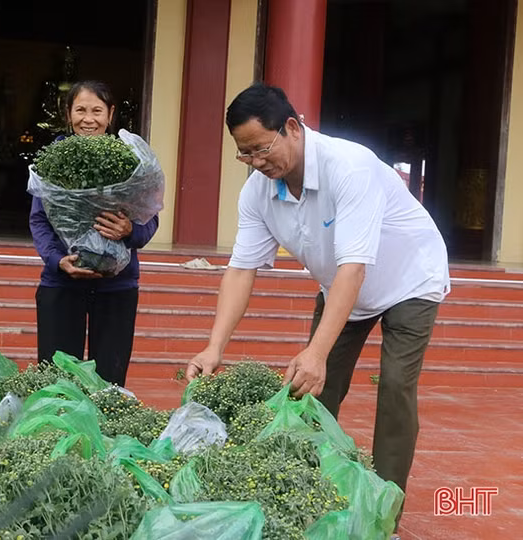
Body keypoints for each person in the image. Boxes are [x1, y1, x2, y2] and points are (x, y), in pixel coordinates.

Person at [186, 83, 450, 527]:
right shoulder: (257, 193)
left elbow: (354, 267)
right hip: (343, 285)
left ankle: (383, 514)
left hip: (409, 277)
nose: (256, 162)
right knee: (311, 391)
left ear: (292, 127)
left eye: (262, 148)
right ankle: (307, 495)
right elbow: (241, 270)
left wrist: (317, 352)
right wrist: (214, 347)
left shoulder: (349, 166)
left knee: (395, 387)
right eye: (245, 154)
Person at [29, 80, 160, 387]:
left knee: (110, 380)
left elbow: (150, 217)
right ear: (68, 114)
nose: (88, 119)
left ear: (111, 114)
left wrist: (130, 231)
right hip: (62, 281)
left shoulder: (131, 161)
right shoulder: (51, 161)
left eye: (97, 111)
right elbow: (39, 220)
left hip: (117, 286)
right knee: (56, 378)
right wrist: (57, 260)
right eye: (81, 110)